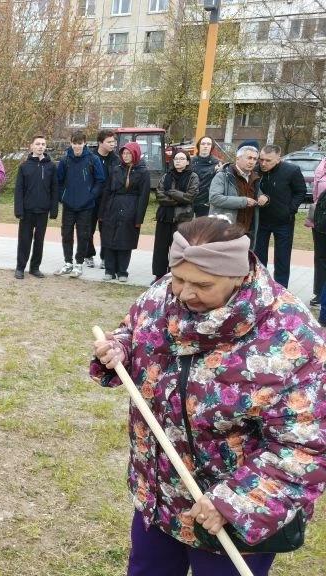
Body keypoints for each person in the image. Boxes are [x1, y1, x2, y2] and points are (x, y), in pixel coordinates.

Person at [92, 216, 326, 576]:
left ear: (237, 275)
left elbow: (306, 447)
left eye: (202, 284)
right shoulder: (163, 294)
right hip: (161, 495)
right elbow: (133, 329)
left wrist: (235, 502)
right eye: (179, 279)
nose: (184, 293)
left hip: (232, 514)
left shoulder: (293, 338)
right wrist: (120, 348)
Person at [253, 145, 307, 288]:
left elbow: (300, 191)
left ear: (278, 158)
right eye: (261, 159)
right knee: (258, 257)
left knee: (282, 258)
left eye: (268, 160)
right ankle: (260, 287)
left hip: (283, 222)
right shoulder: (256, 170)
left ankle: (281, 289)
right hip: (261, 220)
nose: (263, 163)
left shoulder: (291, 171)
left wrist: (290, 210)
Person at [55, 130, 106, 278]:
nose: (77, 146)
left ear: (85, 143)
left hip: (86, 205)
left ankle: (78, 263)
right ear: (71, 143)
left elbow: (100, 180)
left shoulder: (93, 159)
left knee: (83, 235)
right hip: (69, 205)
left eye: (80, 143)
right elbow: (58, 181)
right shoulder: (65, 160)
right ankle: (68, 262)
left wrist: (91, 196)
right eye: (75, 143)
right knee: (66, 234)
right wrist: (62, 197)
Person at [99, 141, 149, 282]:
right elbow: (107, 191)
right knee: (109, 239)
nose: (126, 156)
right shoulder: (115, 169)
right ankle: (109, 270)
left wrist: (139, 219)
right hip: (113, 207)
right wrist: (102, 212)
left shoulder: (143, 172)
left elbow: (144, 197)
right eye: (124, 153)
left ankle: (122, 271)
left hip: (131, 208)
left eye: (129, 153)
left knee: (124, 240)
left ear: (135, 154)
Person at [13, 135, 58, 279]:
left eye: (43, 144)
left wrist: (54, 209)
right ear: (31, 146)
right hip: (27, 211)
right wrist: (19, 209)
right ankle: (20, 268)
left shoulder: (51, 166)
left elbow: (54, 189)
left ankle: (35, 267)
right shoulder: (24, 166)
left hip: (43, 210)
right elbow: (19, 190)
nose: (40, 146)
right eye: (37, 144)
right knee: (24, 240)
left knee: (39, 241)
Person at [152, 150, 199, 280]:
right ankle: (159, 275)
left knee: (178, 248)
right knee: (160, 248)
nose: (178, 161)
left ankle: (176, 275)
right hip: (164, 216)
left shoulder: (193, 176)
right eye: (176, 158)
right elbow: (160, 195)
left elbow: (190, 197)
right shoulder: (166, 176)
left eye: (182, 158)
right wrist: (178, 198)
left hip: (182, 218)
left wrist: (172, 193)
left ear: (188, 162)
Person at [208, 146, 260, 235]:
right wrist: (244, 201)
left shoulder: (255, 177)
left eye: (255, 159)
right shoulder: (223, 175)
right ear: (237, 159)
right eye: (249, 158)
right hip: (225, 229)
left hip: (248, 230)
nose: (252, 162)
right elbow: (214, 198)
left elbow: (258, 195)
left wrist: (264, 197)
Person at [89, 129, 120, 268]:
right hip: (91, 200)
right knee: (87, 229)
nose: (113, 144)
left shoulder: (116, 160)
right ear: (100, 142)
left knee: (106, 231)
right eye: (109, 142)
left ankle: (105, 258)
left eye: (114, 141)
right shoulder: (90, 157)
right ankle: (88, 255)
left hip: (108, 201)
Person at [308, 154, 326, 308]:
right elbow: (316, 195)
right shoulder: (321, 167)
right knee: (320, 257)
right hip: (320, 221)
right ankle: (319, 293)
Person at [190, 136, 221, 218]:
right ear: (199, 145)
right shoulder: (190, 162)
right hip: (189, 199)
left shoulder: (217, 163)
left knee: (202, 228)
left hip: (206, 202)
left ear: (211, 147)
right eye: (203, 143)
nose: (206, 146)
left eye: (208, 144)